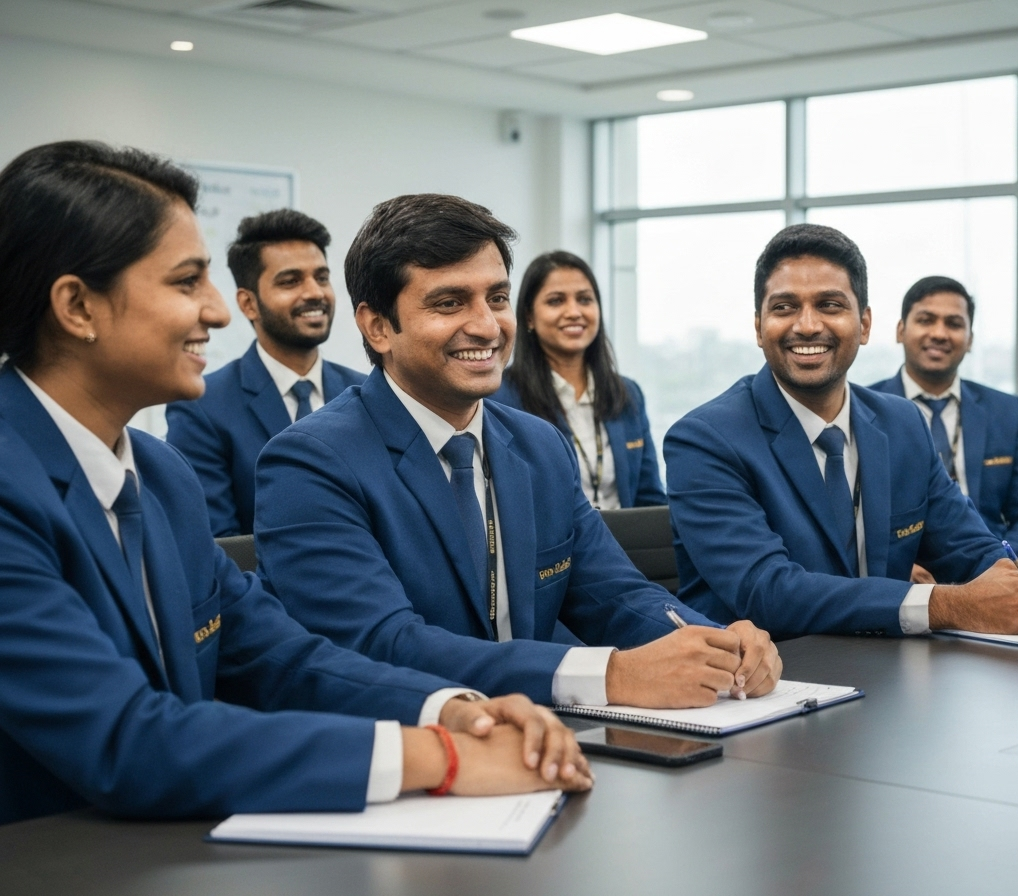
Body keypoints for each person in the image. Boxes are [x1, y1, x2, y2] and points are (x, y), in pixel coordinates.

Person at [0, 141, 590, 826]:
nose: (220, 313)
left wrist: (456, 712)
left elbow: (279, 656)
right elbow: (127, 740)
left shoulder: (159, 476)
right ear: (77, 306)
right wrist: (436, 757)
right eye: (187, 282)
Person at [253, 193, 782, 710]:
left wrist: (719, 645)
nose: (487, 325)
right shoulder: (309, 462)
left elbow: (616, 596)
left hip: (548, 743)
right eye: (449, 302)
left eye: (498, 298)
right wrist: (611, 674)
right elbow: (383, 646)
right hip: (405, 756)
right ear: (377, 326)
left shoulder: (538, 444)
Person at [664, 224, 1018, 640]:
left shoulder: (902, 424)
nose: (807, 326)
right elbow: (768, 592)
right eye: (785, 307)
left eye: (829, 305)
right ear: (759, 327)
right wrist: (947, 605)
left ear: (864, 324)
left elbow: (970, 549)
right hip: (770, 683)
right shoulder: (705, 440)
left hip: (894, 678)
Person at [165, 209, 365, 536]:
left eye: (322, 277)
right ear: (248, 304)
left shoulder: (365, 394)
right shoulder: (201, 407)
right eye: (290, 281)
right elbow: (217, 546)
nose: (315, 292)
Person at [870, 276, 1018, 562]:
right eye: (926, 320)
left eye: (954, 324)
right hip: (901, 580)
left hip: (991, 572)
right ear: (900, 330)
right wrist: (899, 567)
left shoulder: (1005, 411)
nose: (939, 334)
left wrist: (999, 565)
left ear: (970, 339)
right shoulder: (865, 409)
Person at [491, 251, 663, 509]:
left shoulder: (627, 393)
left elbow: (650, 499)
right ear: (529, 317)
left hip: (628, 547)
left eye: (585, 299)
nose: (574, 312)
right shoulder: (499, 398)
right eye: (556, 301)